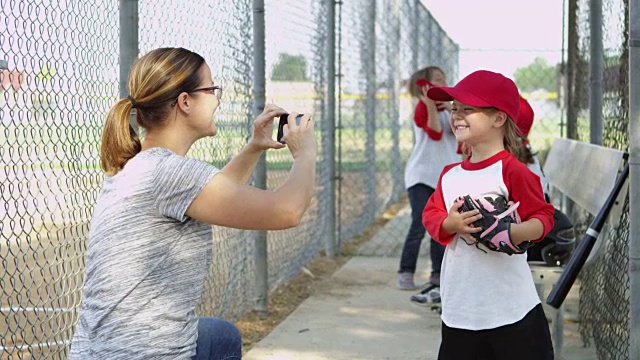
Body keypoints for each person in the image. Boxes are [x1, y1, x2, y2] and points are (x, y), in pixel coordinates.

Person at [68, 47, 318, 360]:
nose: (218, 99)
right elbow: (288, 210)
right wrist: (306, 153)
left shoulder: (143, 165)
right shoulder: (169, 172)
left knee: (219, 335)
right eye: (212, 89)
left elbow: (216, 196)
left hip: (99, 352)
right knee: (219, 337)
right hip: (143, 354)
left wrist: (254, 148)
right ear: (185, 102)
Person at [422, 70, 556, 360]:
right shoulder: (450, 175)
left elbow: (543, 216)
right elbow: (430, 215)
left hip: (510, 309)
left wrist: (514, 233)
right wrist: (450, 223)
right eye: (455, 109)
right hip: (461, 308)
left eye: (468, 109)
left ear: (499, 118)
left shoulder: (512, 170)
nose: (457, 115)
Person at [397, 66, 459, 302]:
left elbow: (457, 134)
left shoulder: (452, 110)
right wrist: (431, 104)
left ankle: (436, 274)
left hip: (445, 177)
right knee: (419, 223)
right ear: (423, 87)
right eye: (435, 81)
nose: (441, 84)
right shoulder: (423, 108)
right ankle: (405, 270)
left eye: (443, 80)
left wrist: (453, 108)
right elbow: (434, 132)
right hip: (421, 176)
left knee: (440, 226)